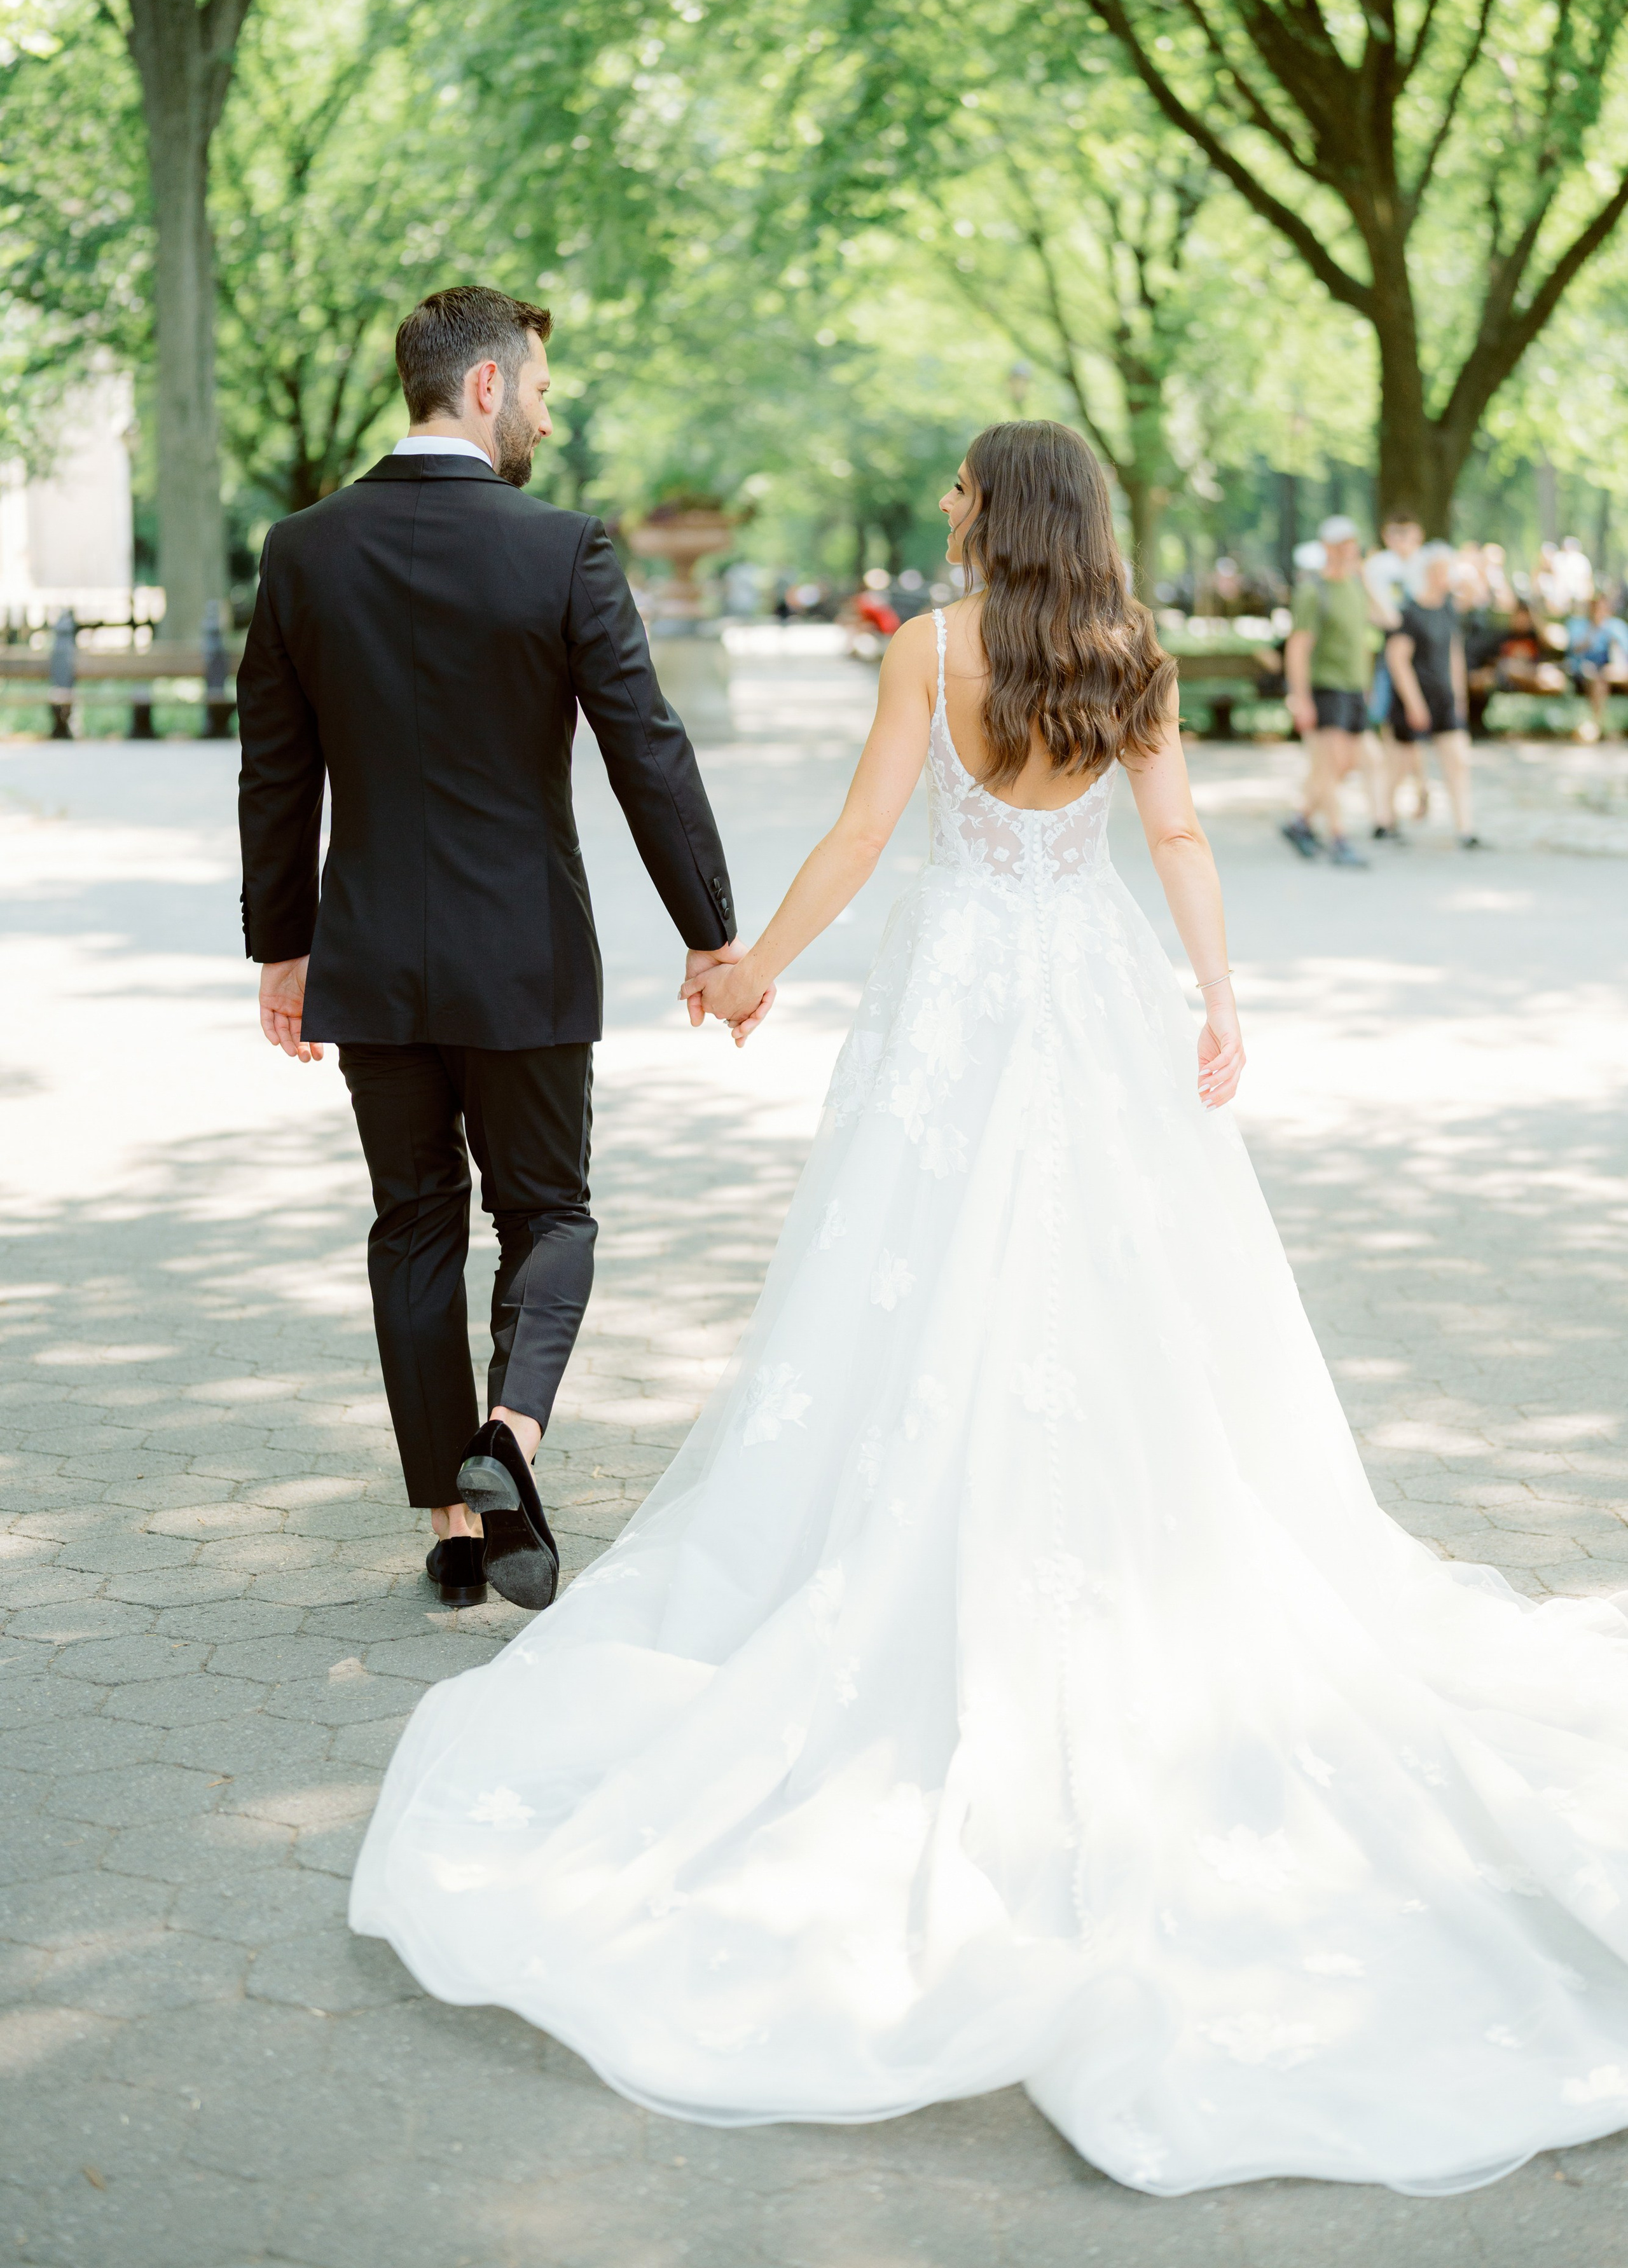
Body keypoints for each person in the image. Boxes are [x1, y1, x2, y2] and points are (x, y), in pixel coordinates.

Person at [352, 420, 1628, 2198]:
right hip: (1090, 996)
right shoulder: (1129, 653)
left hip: (954, 1014)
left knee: (918, 1285)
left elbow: (871, 834)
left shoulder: (930, 652)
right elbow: (1174, 834)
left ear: (993, 508)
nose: (945, 503)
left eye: (958, 486)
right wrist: (1220, 1001)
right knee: (1125, 1292)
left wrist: (753, 969)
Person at [237, 287, 766, 1612]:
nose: (546, 408)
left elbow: (275, 773)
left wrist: (281, 949)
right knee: (550, 1214)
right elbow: (646, 749)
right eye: (536, 385)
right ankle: (508, 1440)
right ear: (482, 388)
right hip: (526, 958)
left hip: (370, 954)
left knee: (413, 1224)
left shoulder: (301, 550)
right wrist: (711, 929)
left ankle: (453, 1533)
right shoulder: (561, 549)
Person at [1280, 514, 1383, 866]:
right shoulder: (1313, 591)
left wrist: (1366, 578)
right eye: (1340, 544)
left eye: (1351, 543)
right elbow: (1298, 648)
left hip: (1354, 689)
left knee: (1346, 764)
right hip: (1325, 687)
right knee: (1328, 762)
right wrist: (1301, 697)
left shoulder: (1355, 587)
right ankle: (1340, 838)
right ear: (1326, 548)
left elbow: (1387, 621)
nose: (1347, 550)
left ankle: (1300, 820)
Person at [1383, 541, 1482, 846]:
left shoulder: (1450, 608)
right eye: (1440, 569)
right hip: (1412, 700)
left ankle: (1465, 830)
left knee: (1458, 762)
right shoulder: (1410, 612)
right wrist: (1414, 704)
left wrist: (1460, 697)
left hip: (1444, 699)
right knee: (1399, 767)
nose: (1446, 575)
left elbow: (1454, 655)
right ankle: (1385, 821)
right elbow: (1397, 660)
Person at [1362, 511, 1426, 840]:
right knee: (1395, 736)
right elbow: (1377, 617)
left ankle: (1411, 795)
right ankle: (1388, 812)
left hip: (1422, 657)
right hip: (1391, 656)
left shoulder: (1425, 566)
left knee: (1410, 738)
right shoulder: (1378, 568)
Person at [1565, 590, 1628, 740]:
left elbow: (1624, 654)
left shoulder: (1616, 626)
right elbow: (1574, 651)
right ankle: (1597, 726)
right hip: (1585, 671)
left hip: (1614, 671)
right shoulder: (1578, 625)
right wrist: (1593, 630)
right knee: (1596, 678)